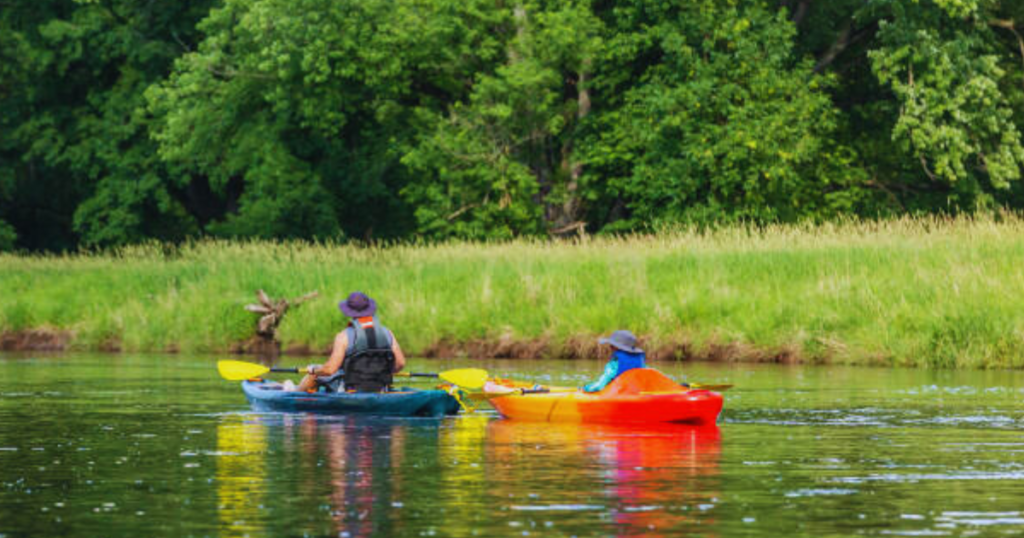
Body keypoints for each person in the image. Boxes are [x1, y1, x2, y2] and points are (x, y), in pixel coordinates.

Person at [291, 291, 406, 393]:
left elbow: (330, 369)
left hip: (349, 389)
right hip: (380, 388)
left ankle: (293, 394)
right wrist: (380, 372)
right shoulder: (388, 333)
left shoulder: (343, 336)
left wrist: (314, 370)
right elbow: (400, 364)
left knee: (314, 371)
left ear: (350, 312)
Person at [582, 330, 646, 393]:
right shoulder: (640, 360)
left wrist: (586, 388)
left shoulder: (614, 364)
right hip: (635, 392)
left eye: (611, 345)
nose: (610, 347)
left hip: (618, 393)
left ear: (615, 347)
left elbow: (600, 385)